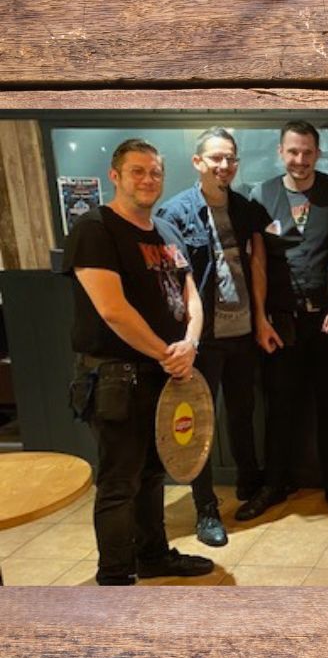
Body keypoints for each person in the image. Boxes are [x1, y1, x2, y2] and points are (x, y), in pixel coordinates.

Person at [63, 139, 214, 585]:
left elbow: (190, 294)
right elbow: (113, 310)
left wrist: (190, 343)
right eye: (137, 171)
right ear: (115, 176)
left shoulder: (165, 231)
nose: (148, 179)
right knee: (119, 483)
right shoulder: (95, 229)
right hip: (117, 376)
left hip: (163, 374)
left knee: (151, 474)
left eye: (155, 172)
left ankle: (153, 557)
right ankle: (114, 577)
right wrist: (168, 354)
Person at [238, 120, 328, 522]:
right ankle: (274, 484)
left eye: (308, 152)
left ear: (318, 154)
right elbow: (257, 261)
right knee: (279, 408)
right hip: (281, 322)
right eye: (293, 151)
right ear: (281, 152)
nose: (300, 159)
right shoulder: (261, 195)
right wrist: (260, 318)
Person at [155, 127, 270, 547]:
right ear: (198, 162)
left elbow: (257, 265)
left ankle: (249, 483)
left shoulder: (245, 208)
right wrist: (183, 338)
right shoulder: (174, 214)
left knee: (242, 413)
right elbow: (172, 283)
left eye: (230, 159)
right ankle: (206, 509)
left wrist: (261, 320)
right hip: (202, 338)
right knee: (199, 423)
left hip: (242, 333)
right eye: (216, 158)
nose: (224, 166)